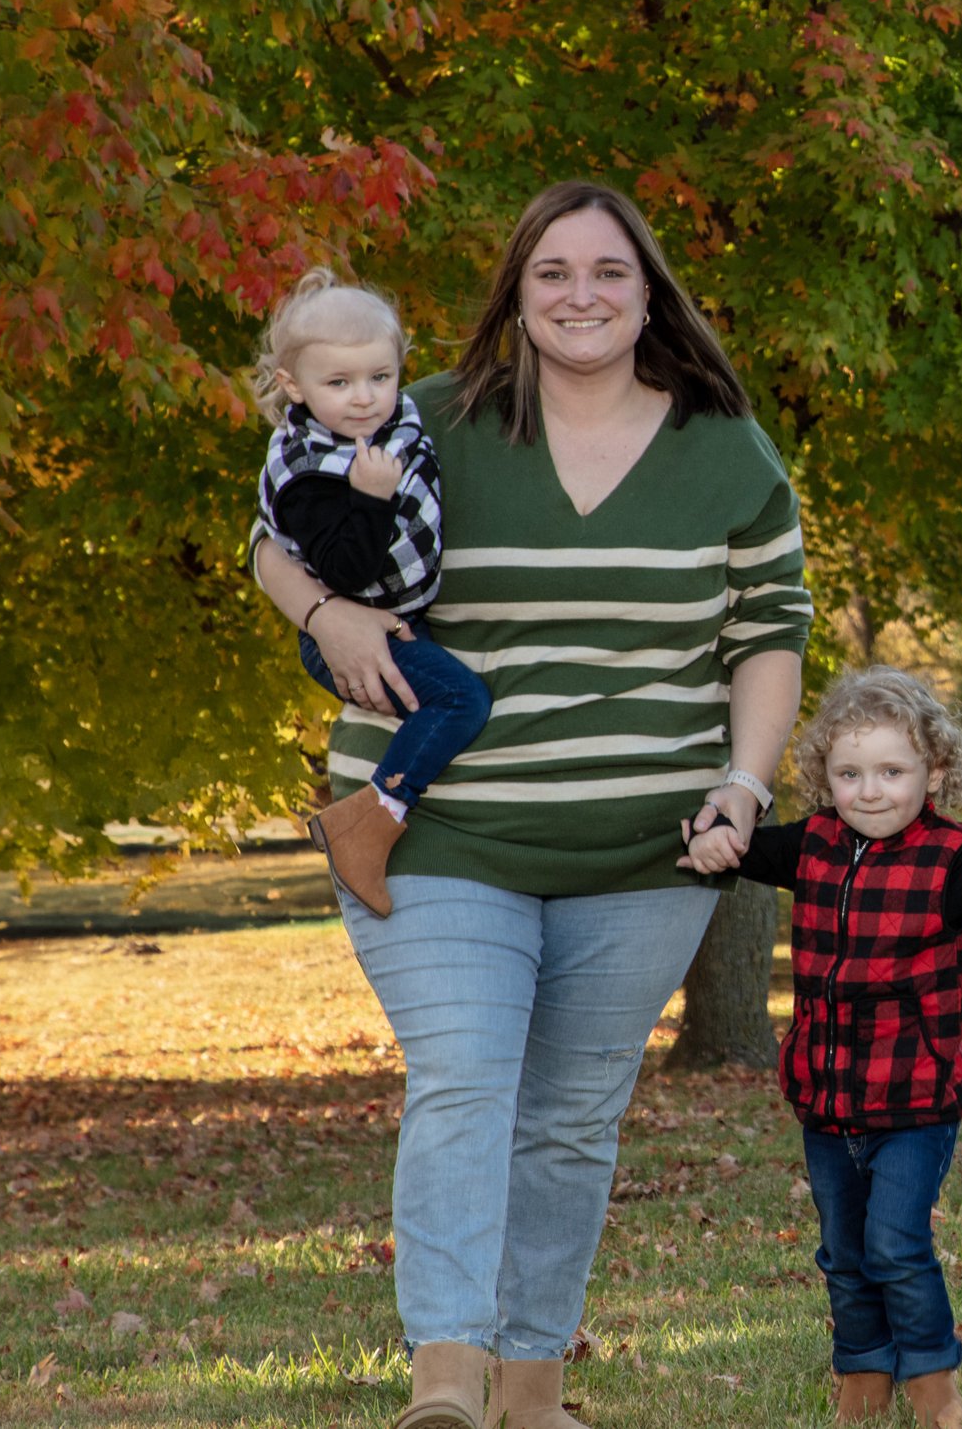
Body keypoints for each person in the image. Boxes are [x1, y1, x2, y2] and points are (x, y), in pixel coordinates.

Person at [251, 181, 811, 1429]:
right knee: (464, 1073)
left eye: (608, 271)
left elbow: (770, 630)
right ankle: (444, 1381)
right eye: (551, 272)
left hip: (646, 852)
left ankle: (533, 1387)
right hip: (434, 829)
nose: (581, 294)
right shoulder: (426, 416)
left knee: (569, 1117)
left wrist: (744, 780)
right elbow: (273, 530)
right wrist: (327, 612)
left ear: (649, 288)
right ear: (514, 292)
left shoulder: (723, 444)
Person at [682, 666, 962, 1429]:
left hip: (914, 1100)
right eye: (849, 772)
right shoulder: (813, 843)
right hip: (825, 1100)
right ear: (824, 775)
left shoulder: (951, 857)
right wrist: (711, 837)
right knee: (844, 1254)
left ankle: (935, 1386)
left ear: (935, 772)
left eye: (893, 770)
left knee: (895, 1244)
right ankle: (862, 1377)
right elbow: (734, 846)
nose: (871, 790)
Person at [249, 268, 492, 917]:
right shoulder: (308, 472)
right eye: (340, 383)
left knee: (455, 710)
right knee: (460, 700)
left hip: (401, 613)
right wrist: (372, 497)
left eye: (380, 377)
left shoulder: (387, 419)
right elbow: (345, 569)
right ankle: (366, 821)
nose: (364, 398)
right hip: (344, 633)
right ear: (292, 386)